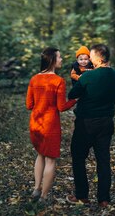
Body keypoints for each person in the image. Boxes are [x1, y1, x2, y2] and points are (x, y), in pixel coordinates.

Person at [66, 43, 115, 208]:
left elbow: (72, 94)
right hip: (106, 122)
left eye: (91, 56)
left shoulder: (88, 77)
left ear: (97, 58)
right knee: (103, 160)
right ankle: (104, 199)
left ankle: (82, 196)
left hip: (86, 123)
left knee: (78, 157)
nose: (88, 59)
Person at [26, 47, 76, 203]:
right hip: (50, 126)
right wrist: (76, 99)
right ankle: (44, 196)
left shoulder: (34, 79)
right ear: (53, 60)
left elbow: (29, 105)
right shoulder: (58, 81)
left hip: (35, 124)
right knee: (51, 160)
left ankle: (36, 189)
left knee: (40, 154)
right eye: (59, 57)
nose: (61, 60)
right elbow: (61, 107)